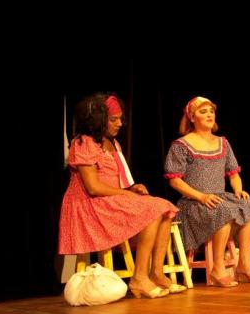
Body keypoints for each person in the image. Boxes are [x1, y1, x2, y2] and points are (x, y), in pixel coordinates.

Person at [59, 93, 184, 299]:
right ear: (98, 119)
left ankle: (156, 272)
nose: (120, 124)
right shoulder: (83, 143)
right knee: (152, 209)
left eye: (120, 119)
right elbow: (93, 187)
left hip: (108, 200)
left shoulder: (112, 144)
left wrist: (132, 189)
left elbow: (114, 181)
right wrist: (126, 194)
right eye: (113, 119)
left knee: (164, 206)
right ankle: (139, 278)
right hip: (89, 206)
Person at [164, 96, 250, 287]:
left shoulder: (223, 143)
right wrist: (201, 196)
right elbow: (175, 181)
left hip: (219, 197)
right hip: (193, 202)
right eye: (203, 112)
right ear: (192, 117)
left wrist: (239, 190)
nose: (209, 115)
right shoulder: (181, 145)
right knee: (223, 211)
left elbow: (233, 174)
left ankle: (243, 265)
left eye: (211, 111)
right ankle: (217, 269)